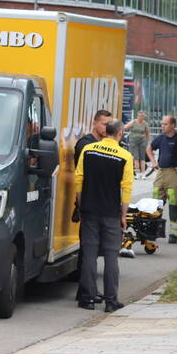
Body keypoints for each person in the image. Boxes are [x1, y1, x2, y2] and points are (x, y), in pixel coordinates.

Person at [75, 119, 133, 313]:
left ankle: (88, 298)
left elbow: (79, 180)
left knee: (89, 254)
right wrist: (123, 215)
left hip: (90, 210)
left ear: (106, 131)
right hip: (111, 213)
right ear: (119, 134)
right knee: (111, 256)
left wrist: (81, 206)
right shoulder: (125, 156)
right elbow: (126, 189)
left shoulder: (89, 150)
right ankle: (110, 301)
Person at [73, 109, 112, 305]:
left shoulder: (105, 144)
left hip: (97, 202)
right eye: (104, 124)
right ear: (95, 123)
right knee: (88, 250)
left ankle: (87, 290)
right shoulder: (85, 145)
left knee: (92, 250)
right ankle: (85, 292)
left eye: (109, 124)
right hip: (89, 203)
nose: (107, 128)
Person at [146, 114, 177, 244]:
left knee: (174, 204)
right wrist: (153, 162)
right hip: (161, 173)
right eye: (162, 124)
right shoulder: (160, 138)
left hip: (174, 173)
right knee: (155, 204)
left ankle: (174, 234)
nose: (162, 126)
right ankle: (153, 231)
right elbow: (149, 148)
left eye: (165, 124)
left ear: (173, 125)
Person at [125, 112, 150, 178]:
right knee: (136, 157)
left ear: (143, 117)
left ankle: (143, 173)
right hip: (133, 141)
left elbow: (147, 133)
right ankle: (137, 173)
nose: (141, 117)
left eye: (142, 116)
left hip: (142, 141)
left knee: (142, 158)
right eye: (140, 116)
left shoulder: (145, 124)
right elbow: (125, 127)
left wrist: (146, 142)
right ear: (137, 116)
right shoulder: (133, 122)